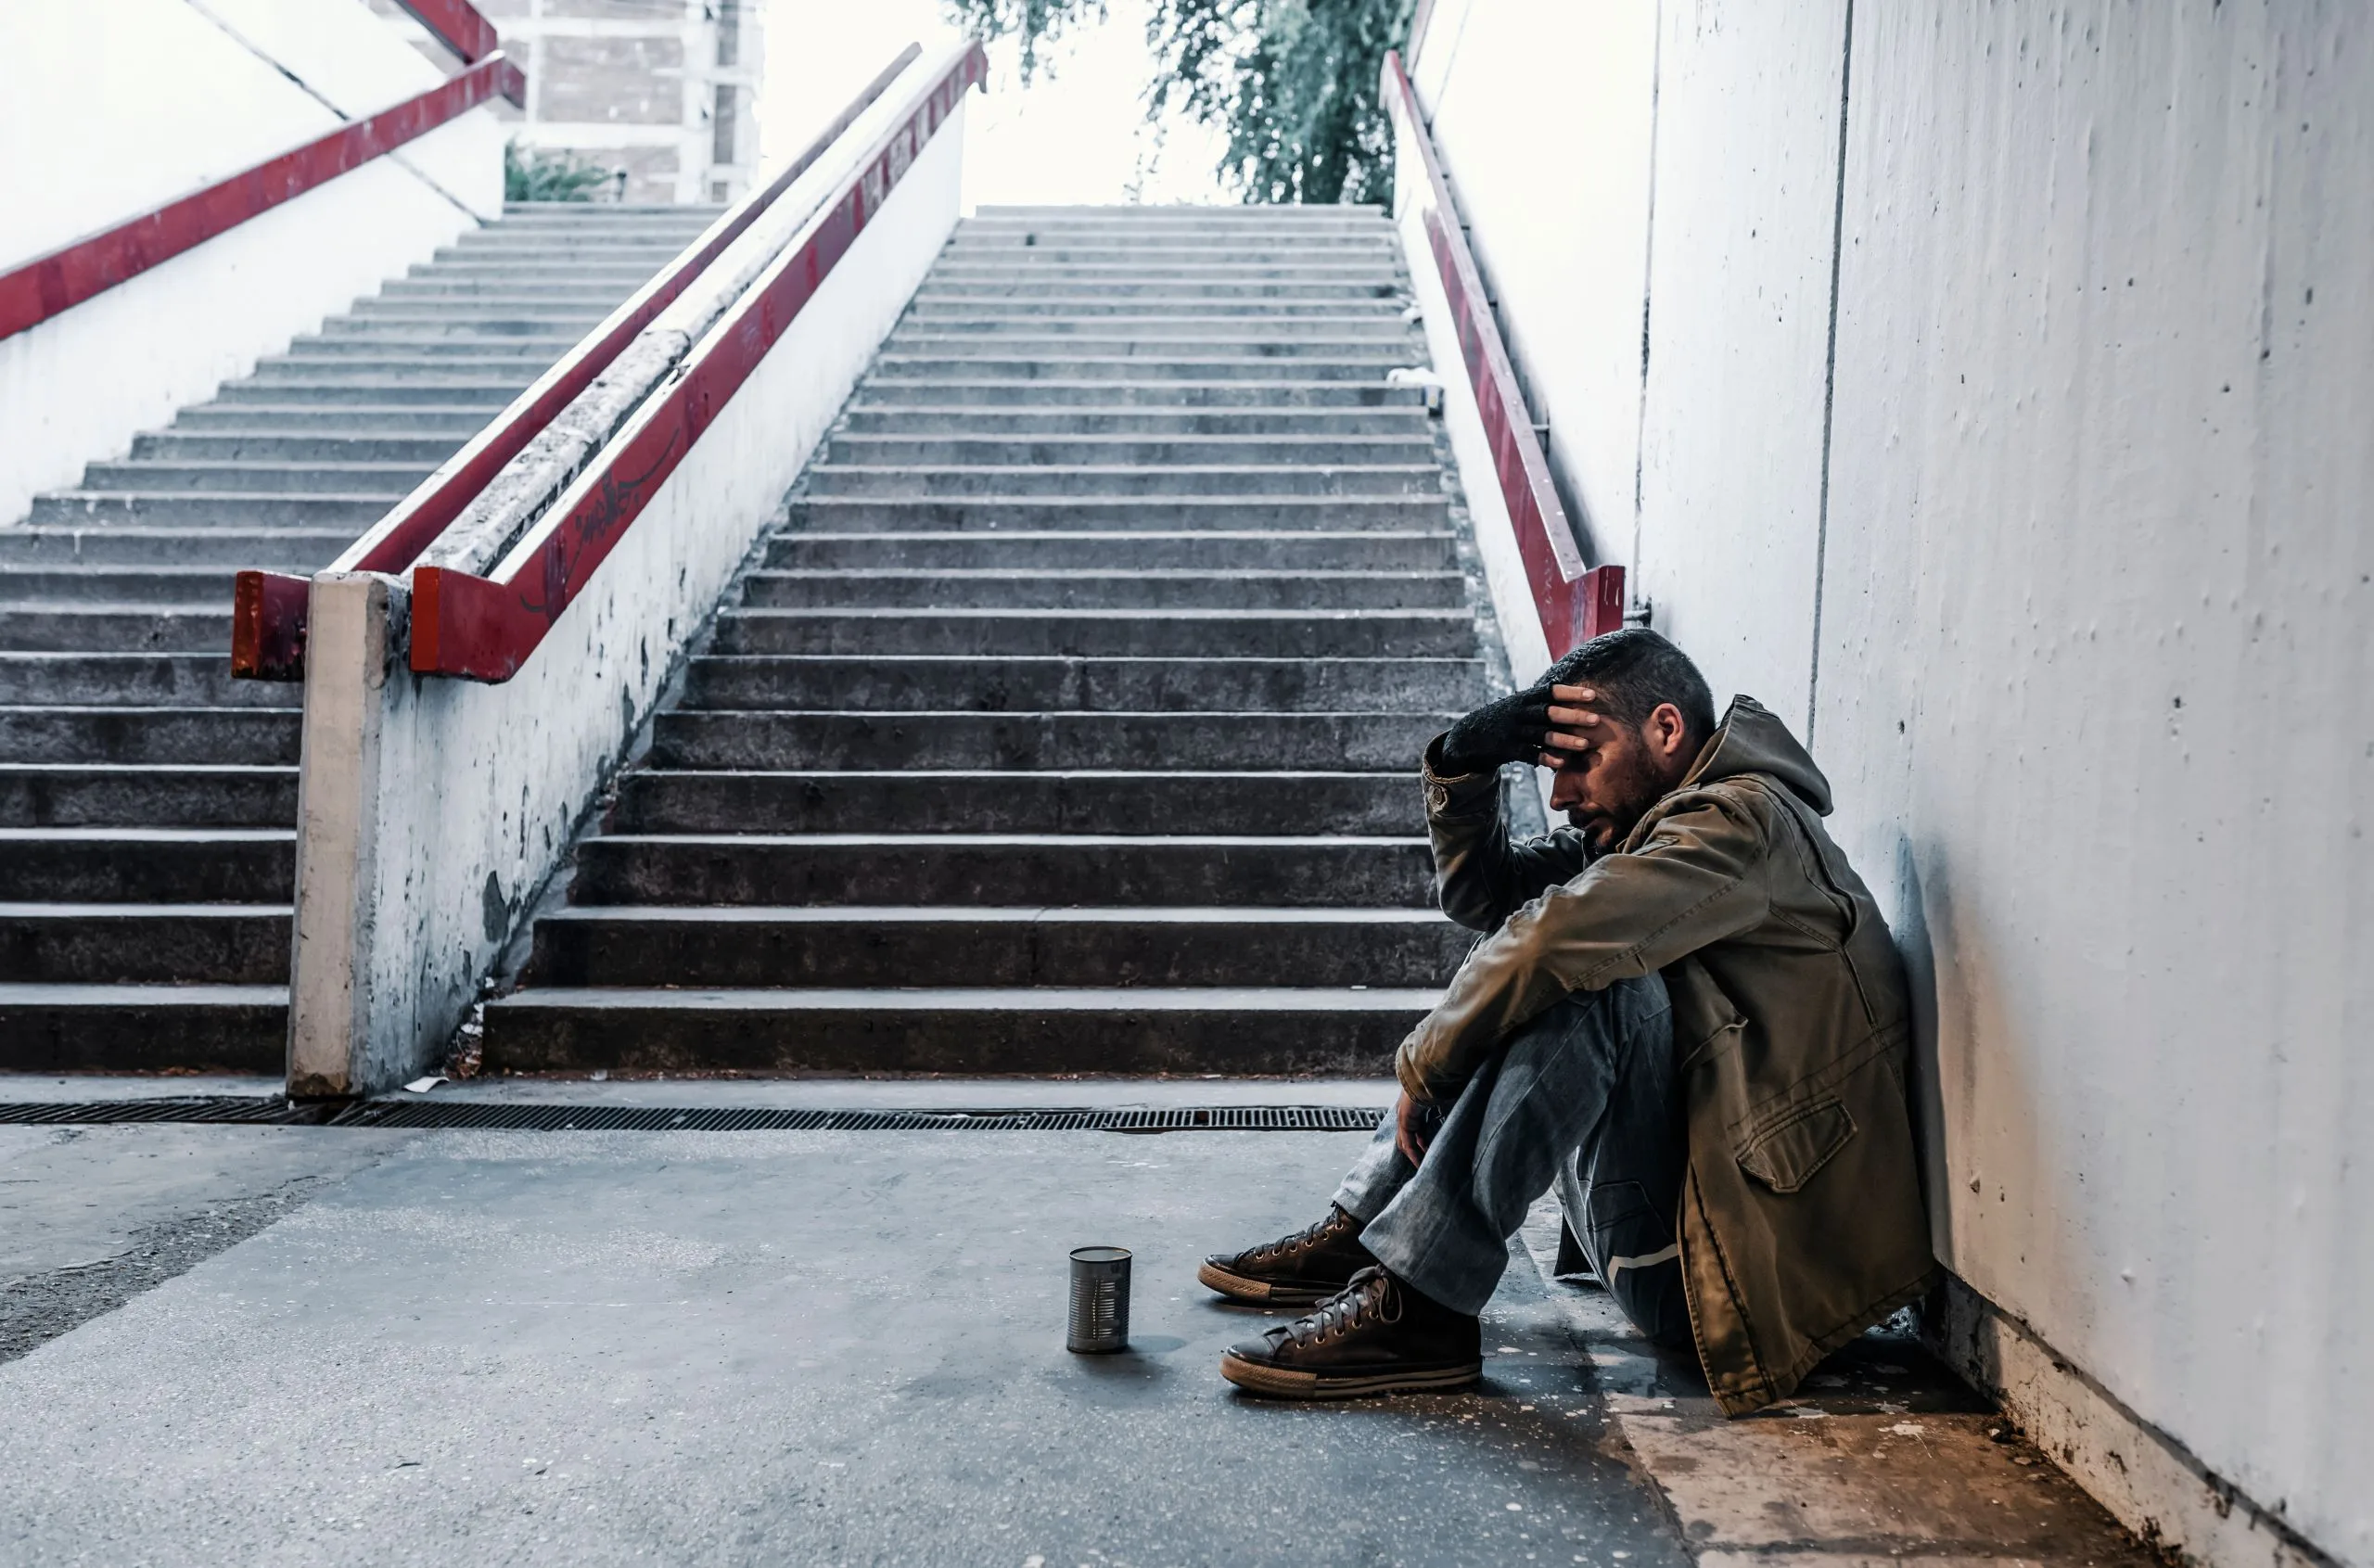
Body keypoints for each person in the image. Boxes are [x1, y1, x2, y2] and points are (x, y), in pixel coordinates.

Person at [1200, 629, 1934, 1414]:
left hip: (1739, 1270)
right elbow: (1491, 897)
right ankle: (1373, 1226)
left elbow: (1553, 942)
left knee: (1588, 974)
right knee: (1530, 941)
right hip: (1675, 1231)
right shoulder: (1656, 829)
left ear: (1665, 728)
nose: (1560, 795)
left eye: (1580, 762)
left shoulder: (1739, 825)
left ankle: (1423, 1308)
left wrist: (1426, 1063)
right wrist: (1465, 759)